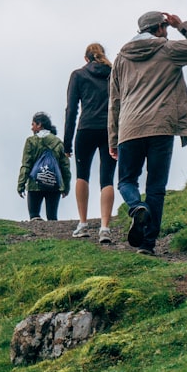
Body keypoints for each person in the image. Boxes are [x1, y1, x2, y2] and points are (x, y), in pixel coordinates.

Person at [108, 11, 187, 255]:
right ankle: (147, 245)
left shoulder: (121, 59)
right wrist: (181, 26)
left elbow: (113, 101)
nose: (166, 31)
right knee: (156, 187)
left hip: (129, 129)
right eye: (164, 27)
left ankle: (135, 206)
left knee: (126, 181)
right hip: (161, 127)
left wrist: (113, 138)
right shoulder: (168, 50)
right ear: (158, 28)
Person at [64, 43, 117, 244]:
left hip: (85, 129)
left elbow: (71, 110)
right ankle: (105, 228)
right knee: (107, 178)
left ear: (86, 58)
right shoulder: (113, 73)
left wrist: (67, 142)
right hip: (109, 130)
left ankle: (83, 224)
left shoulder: (78, 75)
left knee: (82, 174)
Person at [17, 111, 72, 221]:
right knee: (52, 219)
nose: (31, 128)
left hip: (34, 184)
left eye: (33, 124)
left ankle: (35, 237)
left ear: (39, 125)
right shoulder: (58, 142)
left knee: (34, 217)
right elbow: (65, 167)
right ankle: (55, 237)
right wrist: (66, 186)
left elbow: (26, 165)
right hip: (54, 185)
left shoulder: (31, 141)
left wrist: (21, 184)